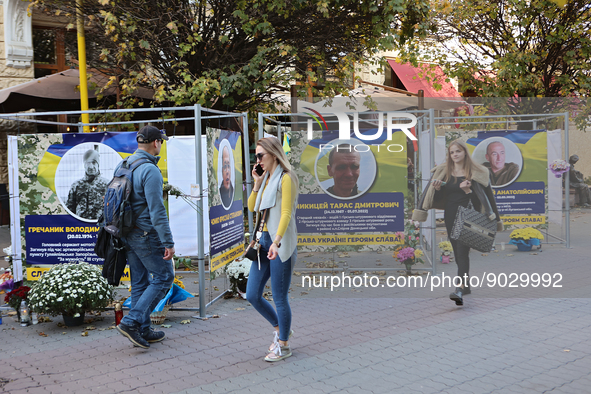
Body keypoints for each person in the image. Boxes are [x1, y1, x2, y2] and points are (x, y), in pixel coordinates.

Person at [413, 140, 503, 306]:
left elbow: (487, 198)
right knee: (458, 250)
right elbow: (438, 198)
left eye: (458, 151)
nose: (455, 155)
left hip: (470, 216)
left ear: (465, 153)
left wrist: (468, 191)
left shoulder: (478, 172)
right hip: (451, 215)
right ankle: (466, 285)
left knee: (461, 251)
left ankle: (459, 289)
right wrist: (438, 189)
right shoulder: (443, 171)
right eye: (452, 152)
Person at [116, 125, 175, 349]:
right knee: (163, 277)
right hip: (145, 234)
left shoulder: (124, 163)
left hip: (126, 232)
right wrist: (168, 242)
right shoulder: (150, 170)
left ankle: (143, 329)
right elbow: (157, 210)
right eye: (161, 141)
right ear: (156, 143)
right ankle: (131, 322)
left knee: (140, 282)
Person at [246, 137, 299, 362]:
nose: (257, 160)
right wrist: (257, 184)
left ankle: (284, 345)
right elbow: (252, 207)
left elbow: (286, 213)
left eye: (261, 155)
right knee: (252, 294)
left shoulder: (286, 178)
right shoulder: (266, 178)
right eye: (255, 156)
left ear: (274, 154)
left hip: (280, 242)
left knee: (279, 296)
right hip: (263, 242)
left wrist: (277, 242)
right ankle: (280, 328)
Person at [66, 149, 109, 220]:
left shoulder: (107, 185)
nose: (91, 167)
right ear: (84, 165)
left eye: (94, 162)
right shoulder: (76, 186)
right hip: (81, 227)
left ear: (98, 164)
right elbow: (70, 210)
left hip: (101, 227)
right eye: (88, 163)